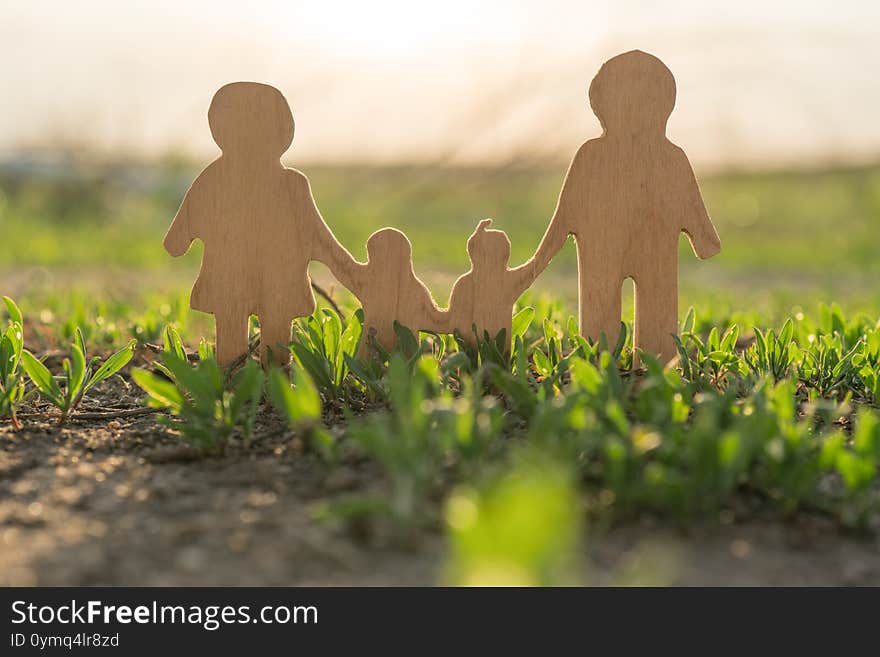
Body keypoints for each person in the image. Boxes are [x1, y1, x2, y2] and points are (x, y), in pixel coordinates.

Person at [529, 50, 721, 364]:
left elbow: (563, 218)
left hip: (628, 253)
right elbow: (566, 215)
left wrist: (539, 259)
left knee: (644, 320)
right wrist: (705, 240)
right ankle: (619, 362)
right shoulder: (662, 158)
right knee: (604, 312)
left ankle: (627, 362)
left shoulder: (665, 159)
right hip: (612, 254)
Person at [163, 82, 357, 366]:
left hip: (232, 281)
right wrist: (354, 275)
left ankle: (234, 381)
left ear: (218, 130)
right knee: (272, 336)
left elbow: (175, 243)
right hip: (277, 281)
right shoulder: (291, 184)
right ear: (284, 132)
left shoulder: (213, 180)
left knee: (237, 332)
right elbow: (323, 243)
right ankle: (272, 387)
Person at [331, 228, 445, 356]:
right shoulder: (414, 288)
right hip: (376, 345)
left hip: (397, 348)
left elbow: (343, 266)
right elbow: (437, 319)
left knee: (398, 365)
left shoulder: (413, 289)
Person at [442, 219, 539, 350]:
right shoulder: (466, 284)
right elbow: (538, 262)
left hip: (479, 360)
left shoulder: (465, 283)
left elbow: (451, 321)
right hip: (488, 359)